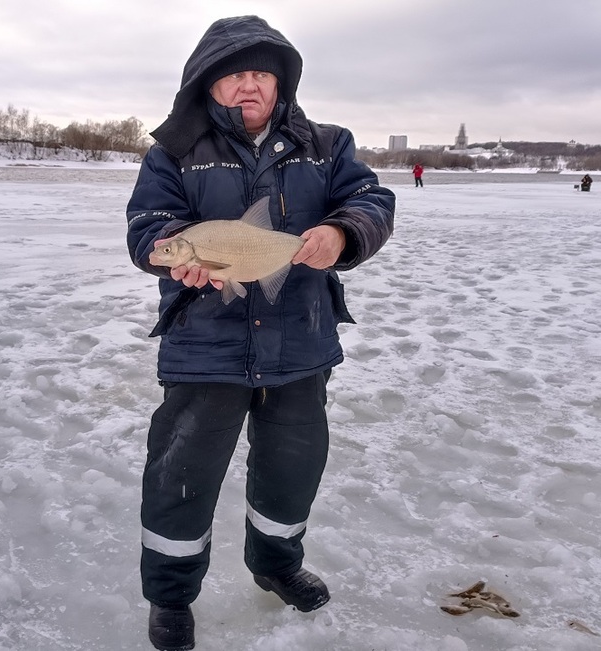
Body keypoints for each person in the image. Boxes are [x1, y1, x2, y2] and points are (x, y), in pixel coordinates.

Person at [126, 15, 395, 650]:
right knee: (180, 476)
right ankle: (171, 597)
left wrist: (341, 233)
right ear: (206, 86)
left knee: (291, 469)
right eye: (233, 76)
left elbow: (371, 201)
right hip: (203, 346)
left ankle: (276, 566)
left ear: (280, 84)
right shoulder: (172, 153)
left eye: (260, 74)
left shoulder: (327, 143)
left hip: (300, 341)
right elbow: (147, 228)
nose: (248, 86)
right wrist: (170, 249)